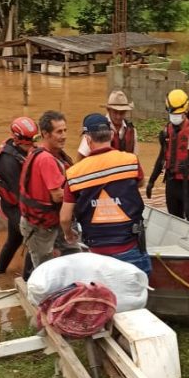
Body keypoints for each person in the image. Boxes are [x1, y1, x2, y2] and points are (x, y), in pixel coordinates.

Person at [60, 113, 151, 276]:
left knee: (104, 299)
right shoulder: (130, 160)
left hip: (97, 254)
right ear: (110, 135)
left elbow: (65, 218)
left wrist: (69, 234)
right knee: (135, 297)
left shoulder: (74, 173)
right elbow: (140, 183)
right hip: (129, 248)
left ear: (88, 140)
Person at [146, 89, 189, 225]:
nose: (174, 116)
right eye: (172, 113)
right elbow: (161, 158)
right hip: (172, 184)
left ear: (185, 111)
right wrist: (151, 181)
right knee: (174, 224)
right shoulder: (165, 133)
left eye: (177, 113)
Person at [19, 110, 72, 268]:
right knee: (45, 272)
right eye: (59, 132)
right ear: (45, 134)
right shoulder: (46, 159)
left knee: (72, 253)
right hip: (41, 227)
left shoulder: (43, 152)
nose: (64, 136)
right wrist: (83, 195)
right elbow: (58, 196)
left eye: (65, 130)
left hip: (47, 222)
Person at [0, 116, 38, 276]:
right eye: (29, 142)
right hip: (14, 206)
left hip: (18, 203)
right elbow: (22, 194)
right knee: (34, 241)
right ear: (18, 140)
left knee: (14, 240)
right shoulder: (7, 162)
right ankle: (27, 280)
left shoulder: (20, 149)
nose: (32, 145)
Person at [77, 89, 137, 159]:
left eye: (122, 112)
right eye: (115, 112)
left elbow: (135, 157)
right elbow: (81, 156)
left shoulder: (132, 131)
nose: (118, 116)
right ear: (108, 110)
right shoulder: (95, 127)